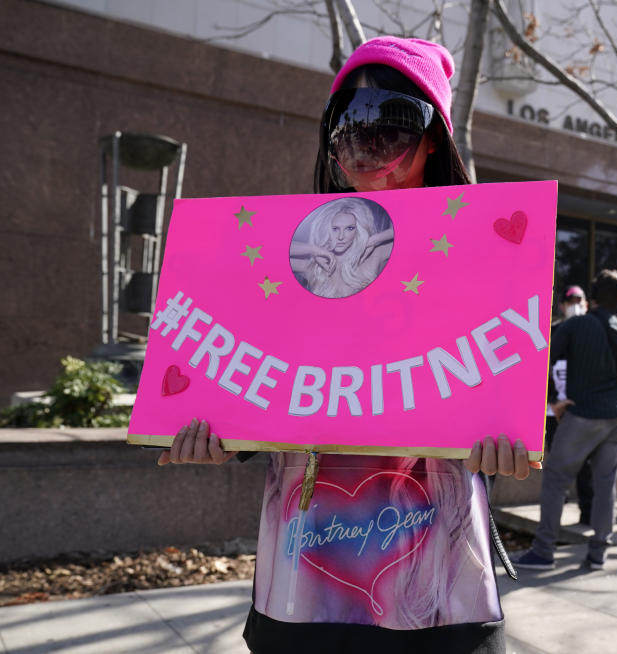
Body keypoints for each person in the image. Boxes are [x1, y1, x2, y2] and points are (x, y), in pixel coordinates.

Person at [157, 36, 538, 653]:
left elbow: (514, 391)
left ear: (435, 134)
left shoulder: (479, 258)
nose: (366, 136)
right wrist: (218, 435)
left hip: (437, 591)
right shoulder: (289, 258)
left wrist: (510, 441)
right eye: (347, 119)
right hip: (304, 582)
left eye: (392, 117)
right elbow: (260, 389)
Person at [513, 270, 617, 571]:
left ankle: (543, 551)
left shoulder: (575, 325)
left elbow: (544, 360)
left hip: (582, 414)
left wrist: (555, 400)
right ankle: (598, 553)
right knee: (606, 486)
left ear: (592, 296)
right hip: (616, 418)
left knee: (556, 479)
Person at [545, 285, 593, 525]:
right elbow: (541, 369)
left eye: (579, 300)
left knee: (586, 464)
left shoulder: (593, 333)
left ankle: (588, 512)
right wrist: (553, 402)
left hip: (581, 410)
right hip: (554, 411)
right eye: (570, 301)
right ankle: (554, 514)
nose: (575, 305)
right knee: (556, 463)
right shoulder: (551, 331)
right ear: (562, 306)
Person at [289, 197, 394, 298]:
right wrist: (313, 249)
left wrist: (376, 239)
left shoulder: (372, 257)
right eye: (335, 229)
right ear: (326, 229)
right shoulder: (315, 269)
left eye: (349, 228)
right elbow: (275, 253)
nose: (341, 236)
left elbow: (408, 229)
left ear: (358, 230)